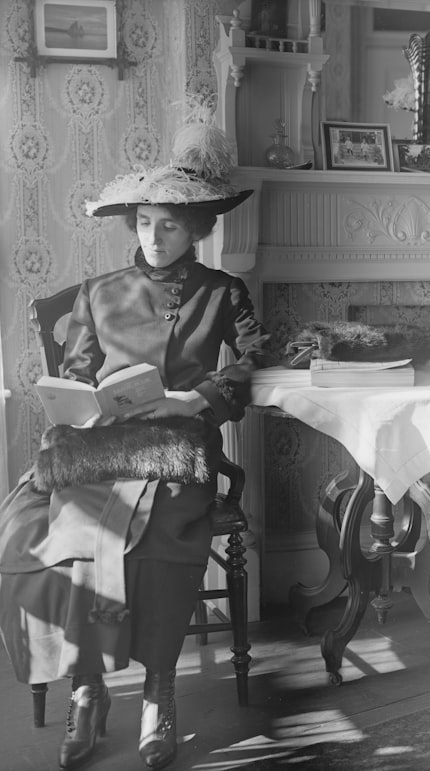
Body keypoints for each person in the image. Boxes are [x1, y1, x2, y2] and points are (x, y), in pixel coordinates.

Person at [0, 107, 270, 770]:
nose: (154, 237)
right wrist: (81, 405)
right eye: (145, 223)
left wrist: (203, 395)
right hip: (103, 452)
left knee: (153, 546)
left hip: (178, 456)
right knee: (63, 543)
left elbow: (254, 361)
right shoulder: (98, 292)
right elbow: (73, 376)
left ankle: (157, 695)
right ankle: (87, 693)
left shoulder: (224, 292)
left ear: (197, 226)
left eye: (169, 224)